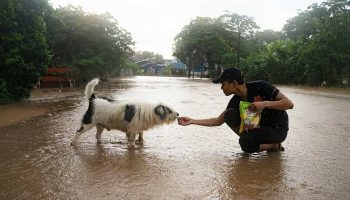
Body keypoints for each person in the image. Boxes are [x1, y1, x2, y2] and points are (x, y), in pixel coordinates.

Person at [178, 67, 294, 153]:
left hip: (278, 128)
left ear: (233, 83)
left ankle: (274, 145)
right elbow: (218, 121)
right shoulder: (236, 100)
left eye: (223, 84)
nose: (221, 88)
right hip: (259, 128)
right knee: (230, 116)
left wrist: (265, 104)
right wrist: (192, 121)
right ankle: (254, 141)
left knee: (246, 142)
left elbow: (289, 104)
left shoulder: (261, 86)